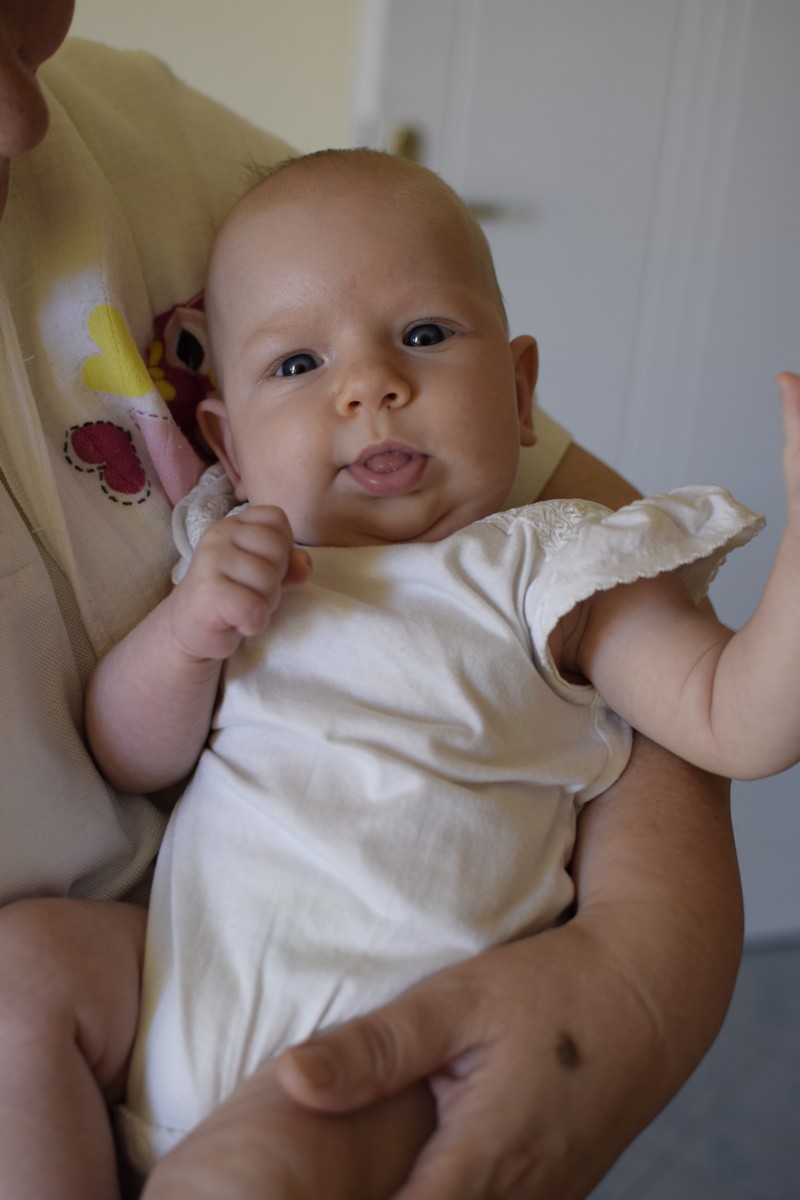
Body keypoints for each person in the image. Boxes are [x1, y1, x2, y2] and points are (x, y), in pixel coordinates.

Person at [0, 5, 747, 1198]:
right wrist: (187, 637)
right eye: (299, 365)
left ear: (519, 395)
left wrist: (637, 973)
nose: (370, 387)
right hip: (176, 974)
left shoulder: (544, 559)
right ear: (224, 440)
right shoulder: (240, 559)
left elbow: (724, 713)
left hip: (382, 1029)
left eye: (422, 335)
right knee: (20, 978)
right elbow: (130, 749)